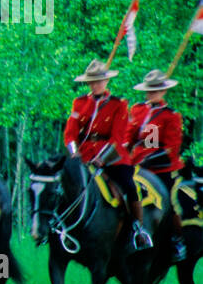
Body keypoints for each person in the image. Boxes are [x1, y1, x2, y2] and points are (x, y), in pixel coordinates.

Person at [64, 59, 152, 250]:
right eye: (91, 81)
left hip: (113, 156)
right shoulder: (79, 103)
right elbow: (70, 133)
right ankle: (60, 227)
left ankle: (138, 229)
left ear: (106, 82)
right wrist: (73, 152)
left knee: (129, 186)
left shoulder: (118, 105)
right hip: (83, 155)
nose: (95, 85)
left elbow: (118, 138)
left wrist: (102, 158)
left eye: (98, 81)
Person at [126, 68, 186, 261]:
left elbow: (171, 148)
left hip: (162, 168)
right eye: (149, 90)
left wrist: (150, 159)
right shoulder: (137, 110)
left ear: (163, 92)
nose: (152, 93)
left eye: (156, 90)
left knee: (172, 202)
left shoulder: (171, 116)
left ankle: (177, 240)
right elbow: (129, 136)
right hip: (137, 164)